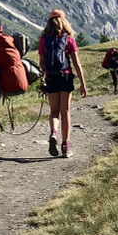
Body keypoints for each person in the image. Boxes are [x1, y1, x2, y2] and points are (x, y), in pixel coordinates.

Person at [37, 10, 88, 158]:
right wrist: (83, 84)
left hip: (51, 77)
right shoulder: (69, 39)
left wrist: (43, 80)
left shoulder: (44, 39)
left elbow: (42, 63)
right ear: (64, 22)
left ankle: (54, 132)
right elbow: (76, 63)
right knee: (65, 111)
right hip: (65, 77)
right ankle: (66, 145)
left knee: (54, 111)